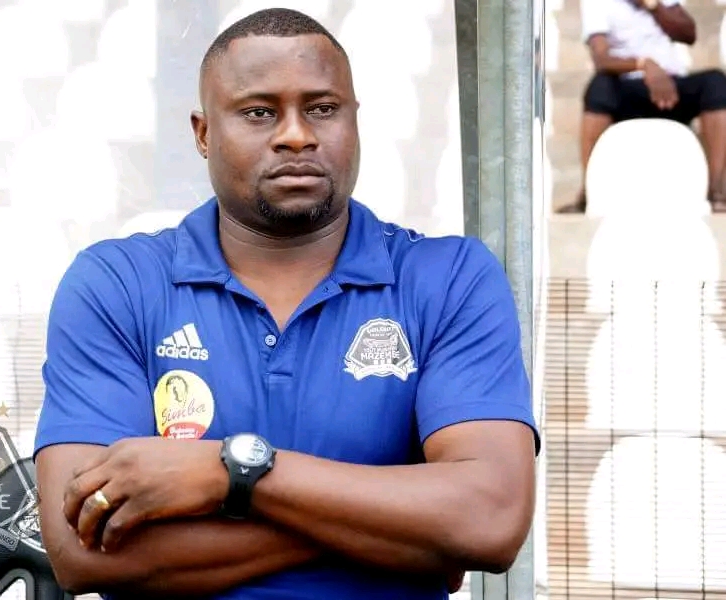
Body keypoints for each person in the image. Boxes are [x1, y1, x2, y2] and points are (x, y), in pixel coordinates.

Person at [33, 8, 540, 600]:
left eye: (322, 109)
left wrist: (225, 473)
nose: (296, 134)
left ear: (354, 120)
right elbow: (80, 552)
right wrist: (399, 522)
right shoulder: (117, 283)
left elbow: (489, 520)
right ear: (203, 133)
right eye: (259, 112)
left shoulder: (449, 277)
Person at [559, 0, 726, 213]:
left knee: (715, 83)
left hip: (673, 87)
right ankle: (588, 192)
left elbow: (688, 34)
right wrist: (645, 65)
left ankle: (716, 190)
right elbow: (601, 59)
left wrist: (652, 5)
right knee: (599, 87)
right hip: (626, 85)